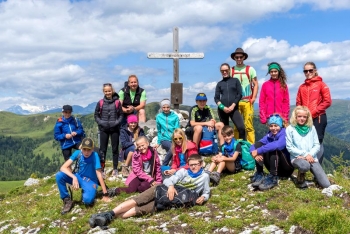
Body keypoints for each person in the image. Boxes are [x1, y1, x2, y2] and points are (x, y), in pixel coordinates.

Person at [88, 154, 210, 228]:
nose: (193, 167)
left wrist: (203, 198)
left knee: (139, 210)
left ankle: (106, 218)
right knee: (138, 200)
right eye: (191, 164)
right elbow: (169, 180)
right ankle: (108, 214)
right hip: (161, 190)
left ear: (201, 164)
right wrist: (171, 186)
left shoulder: (204, 177)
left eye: (196, 164)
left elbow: (206, 192)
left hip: (167, 201)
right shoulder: (183, 172)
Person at [55, 138, 110, 214]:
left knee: (88, 201)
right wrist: (74, 177)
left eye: (89, 149)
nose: (86, 152)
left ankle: (86, 192)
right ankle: (67, 200)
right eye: (84, 149)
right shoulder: (78, 153)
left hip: (90, 181)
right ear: (81, 148)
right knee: (59, 176)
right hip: (78, 177)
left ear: (92, 149)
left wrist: (105, 194)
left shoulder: (95, 155)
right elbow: (63, 168)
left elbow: (99, 174)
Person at [286, 106, 330, 189]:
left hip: (311, 158)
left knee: (326, 184)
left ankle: (314, 177)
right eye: (299, 116)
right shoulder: (290, 129)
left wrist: (309, 155)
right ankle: (300, 178)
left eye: (304, 117)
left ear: (307, 117)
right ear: (295, 117)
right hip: (297, 157)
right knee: (304, 166)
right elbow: (290, 147)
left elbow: (317, 145)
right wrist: (305, 154)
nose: (302, 119)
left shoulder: (311, 128)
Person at [296, 62, 332, 164]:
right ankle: (303, 170)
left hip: (319, 118)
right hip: (305, 118)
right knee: (303, 143)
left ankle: (317, 170)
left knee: (318, 143)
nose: (308, 73)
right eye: (305, 71)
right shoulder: (301, 87)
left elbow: (327, 101)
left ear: (315, 70)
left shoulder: (321, 85)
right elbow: (298, 102)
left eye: (310, 70)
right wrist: (301, 114)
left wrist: (313, 112)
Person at [250, 114, 294, 191]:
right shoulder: (269, 135)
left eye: (276, 125)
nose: (273, 128)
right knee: (259, 145)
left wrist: (258, 151)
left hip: (286, 169)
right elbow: (256, 144)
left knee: (273, 148)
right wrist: (254, 153)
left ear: (281, 125)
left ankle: (273, 177)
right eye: (271, 126)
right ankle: (260, 173)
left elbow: (278, 145)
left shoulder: (285, 133)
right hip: (273, 166)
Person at [94, 83, 123, 177]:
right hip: (103, 129)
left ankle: (115, 169)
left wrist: (116, 122)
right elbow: (96, 115)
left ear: (112, 91)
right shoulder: (100, 102)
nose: (108, 93)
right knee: (103, 150)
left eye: (109, 91)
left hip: (115, 129)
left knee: (115, 149)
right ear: (103, 91)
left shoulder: (117, 102)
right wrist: (101, 123)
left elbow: (121, 115)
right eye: (106, 91)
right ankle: (102, 169)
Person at [230, 48, 258, 143]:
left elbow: (256, 83)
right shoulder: (231, 70)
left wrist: (253, 98)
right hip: (236, 102)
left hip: (247, 101)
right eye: (236, 57)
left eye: (240, 57)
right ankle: (237, 146)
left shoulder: (250, 69)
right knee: (236, 126)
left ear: (244, 57)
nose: (238, 59)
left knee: (249, 125)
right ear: (234, 58)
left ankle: (251, 147)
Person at [214, 63, 246, 140]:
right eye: (222, 71)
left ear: (229, 70)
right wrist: (223, 107)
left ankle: (243, 147)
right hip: (222, 110)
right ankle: (226, 148)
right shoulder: (219, 84)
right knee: (225, 131)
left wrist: (233, 106)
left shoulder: (235, 81)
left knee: (241, 128)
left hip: (233, 109)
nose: (224, 72)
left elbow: (239, 94)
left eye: (226, 70)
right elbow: (216, 98)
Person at [155, 98, 180, 166]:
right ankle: (164, 165)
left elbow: (177, 129)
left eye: (167, 107)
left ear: (170, 107)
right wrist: (158, 142)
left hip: (174, 138)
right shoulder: (159, 117)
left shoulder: (175, 116)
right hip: (164, 139)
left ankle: (176, 165)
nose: (166, 109)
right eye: (164, 107)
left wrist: (177, 139)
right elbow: (159, 130)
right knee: (172, 148)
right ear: (161, 107)